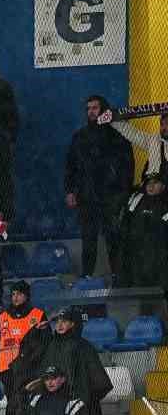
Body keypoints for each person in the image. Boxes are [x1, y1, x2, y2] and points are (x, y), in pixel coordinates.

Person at [64, 94, 136, 277]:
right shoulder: (80, 137)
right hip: (87, 198)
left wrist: (123, 193)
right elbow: (70, 166)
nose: (91, 112)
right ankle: (87, 278)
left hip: (111, 197)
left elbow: (128, 166)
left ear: (104, 109)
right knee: (88, 241)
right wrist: (70, 191)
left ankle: (118, 279)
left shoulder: (118, 136)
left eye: (95, 108)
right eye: (88, 109)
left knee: (114, 240)